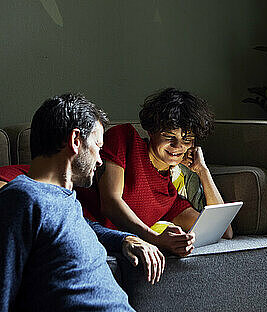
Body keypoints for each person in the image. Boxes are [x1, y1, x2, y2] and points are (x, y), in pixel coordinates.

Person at [0, 93, 164, 312]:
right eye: (98, 147)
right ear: (75, 141)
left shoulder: (64, 200)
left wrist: (125, 239)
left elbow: (86, 228)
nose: (100, 160)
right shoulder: (20, 200)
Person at [76, 88, 232, 257]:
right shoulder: (124, 138)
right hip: (79, 229)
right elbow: (111, 203)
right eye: (169, 136)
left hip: (120, 246)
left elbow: (224, 231)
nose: (177, 145)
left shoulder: (170, 196)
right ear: (152, 131)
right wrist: (155, 239)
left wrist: (202, 171)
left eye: (186, 140)